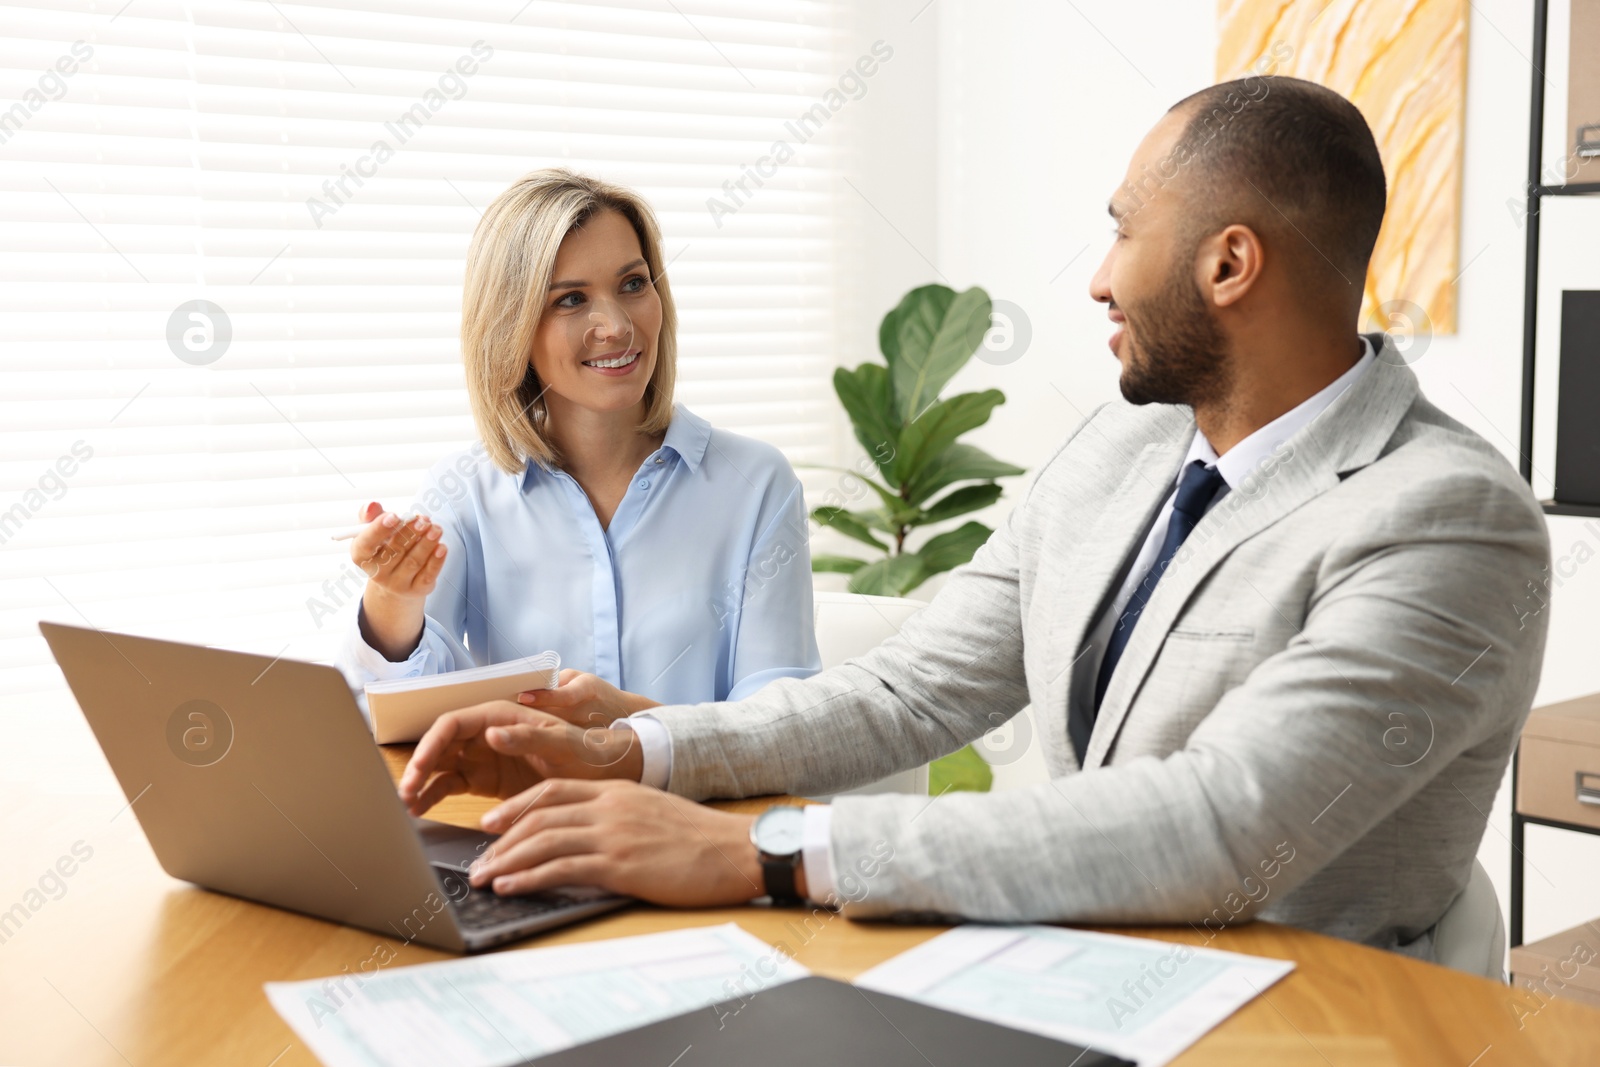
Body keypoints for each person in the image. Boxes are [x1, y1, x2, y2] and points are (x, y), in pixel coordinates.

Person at [396, 78, 1551, 958]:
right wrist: (633, 748)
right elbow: (915, 688)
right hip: (1076, 961)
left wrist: (761, 849)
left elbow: (1225, 825)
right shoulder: (1125, 446)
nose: (1097, 279)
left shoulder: (1446, 518)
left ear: (1227, 264)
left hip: (1310, 1008)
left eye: (1121, 232)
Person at [339, 169, 820, 721]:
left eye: (633, 285)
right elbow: (389, 718)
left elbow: (786, 727)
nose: (615, 326)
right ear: (510, 329)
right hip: (523, 809)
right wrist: (394, 598)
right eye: (570, 299)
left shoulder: (756, 484)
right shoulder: (465, 493)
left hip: (688, 809)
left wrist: (629, 726)